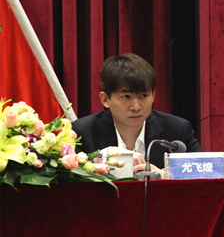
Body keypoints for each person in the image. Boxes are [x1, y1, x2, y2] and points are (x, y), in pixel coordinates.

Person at [73, 53, 203, 172]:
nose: (136, 107)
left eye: (143, 96)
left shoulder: (177, 130)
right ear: (105, 99)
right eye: (126, 97)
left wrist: (165, 175)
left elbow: (206, 170)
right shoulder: (83, 132)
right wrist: (104, 156)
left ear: (153, 96)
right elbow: (68, 178)